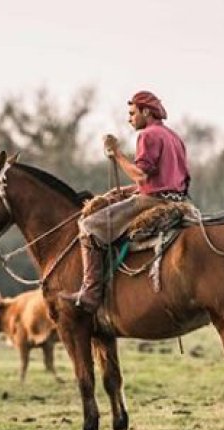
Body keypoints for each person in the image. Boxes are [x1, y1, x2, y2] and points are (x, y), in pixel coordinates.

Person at [60, 90, 191, 312]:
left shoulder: (147, 135)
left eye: (132, 113)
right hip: (178, 199)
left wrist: (116, 153)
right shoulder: (173, 136)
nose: (129, 118)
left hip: (153, 202)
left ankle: (90, 292)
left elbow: (141, 175)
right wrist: (125, 192)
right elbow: (166, 179)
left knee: (89, 225)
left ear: (146, 111)